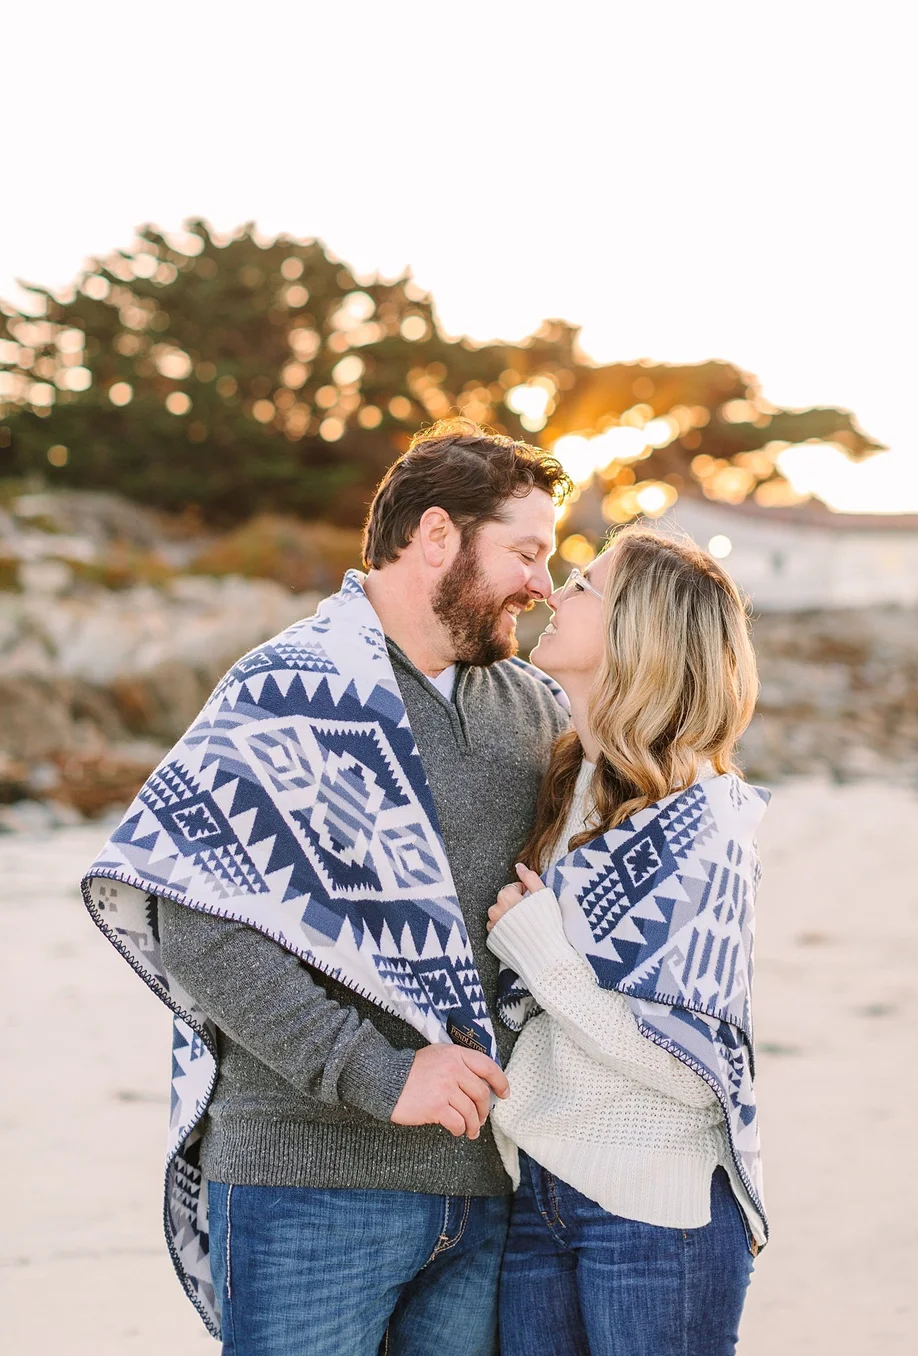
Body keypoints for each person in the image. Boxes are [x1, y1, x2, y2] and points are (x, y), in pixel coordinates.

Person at [82, 420, 572, 1356]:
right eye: (526, 552)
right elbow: (196, 922)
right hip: (309, 1187)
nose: (543, 584)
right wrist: (380, 1075)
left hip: (486, 1188)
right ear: (438, 537)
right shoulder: (283, 693)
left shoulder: (531, 707)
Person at [485, 526, 769, 1356]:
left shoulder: (703, 821)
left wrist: (540, 953)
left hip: (657, 1215)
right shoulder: (568, 782)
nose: (553, 594)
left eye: (583, 584)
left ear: (638, 632)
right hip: (539, 1189)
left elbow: (692, 1070)